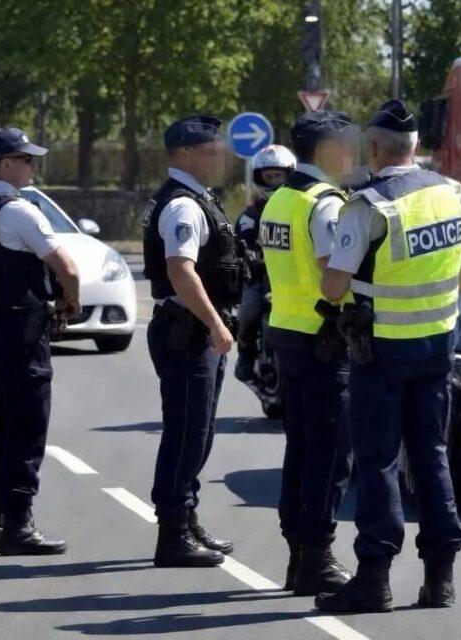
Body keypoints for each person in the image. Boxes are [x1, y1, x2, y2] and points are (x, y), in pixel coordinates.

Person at [315, 100, 461, 612]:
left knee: (379, 459)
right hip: (438, 346)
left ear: (377, 149)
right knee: (431, 454)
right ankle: (440, 579)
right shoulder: (452, 195)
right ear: (418, 148)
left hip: (381, 351)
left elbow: (334, 286)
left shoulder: (368, 205)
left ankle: (375, 578)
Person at [0, 126, 81, 555]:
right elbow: (67, 266)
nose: (34, 166)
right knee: (27, 427)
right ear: (5, 163)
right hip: (22, 331)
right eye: (27, 159)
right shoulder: (19, 211)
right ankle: (19, 524)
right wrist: (72, 302)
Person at [259, 110, 357, 596]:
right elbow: (332, 278)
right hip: (324, 338)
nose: (352, 153)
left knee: (300, 450)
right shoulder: (326, 205)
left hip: (287, 333)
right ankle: (316, 556)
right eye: (346, 144)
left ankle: (300, 556)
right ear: (327, 150)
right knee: (330, 454)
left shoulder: (279, 198)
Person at [142, 115, 245, 567]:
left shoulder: (199, 199)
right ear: (184, 154)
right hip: (187, 331)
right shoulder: (183, 206)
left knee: (198, 432)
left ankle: (186, 518)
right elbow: (181, 272)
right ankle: (172, 533)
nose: (220, 157)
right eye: (210, 150)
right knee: (186, 433)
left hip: (195, 329)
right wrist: (215, 323)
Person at [234, 144, 296, 383]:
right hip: (260, 278)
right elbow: (240, 242)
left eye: (278, 176)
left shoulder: (298, 208)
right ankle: (246, 355)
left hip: (291, 279)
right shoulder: (250, 215)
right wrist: (247, 256)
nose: (273, 181)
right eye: (268, 177)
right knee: (248, 310)